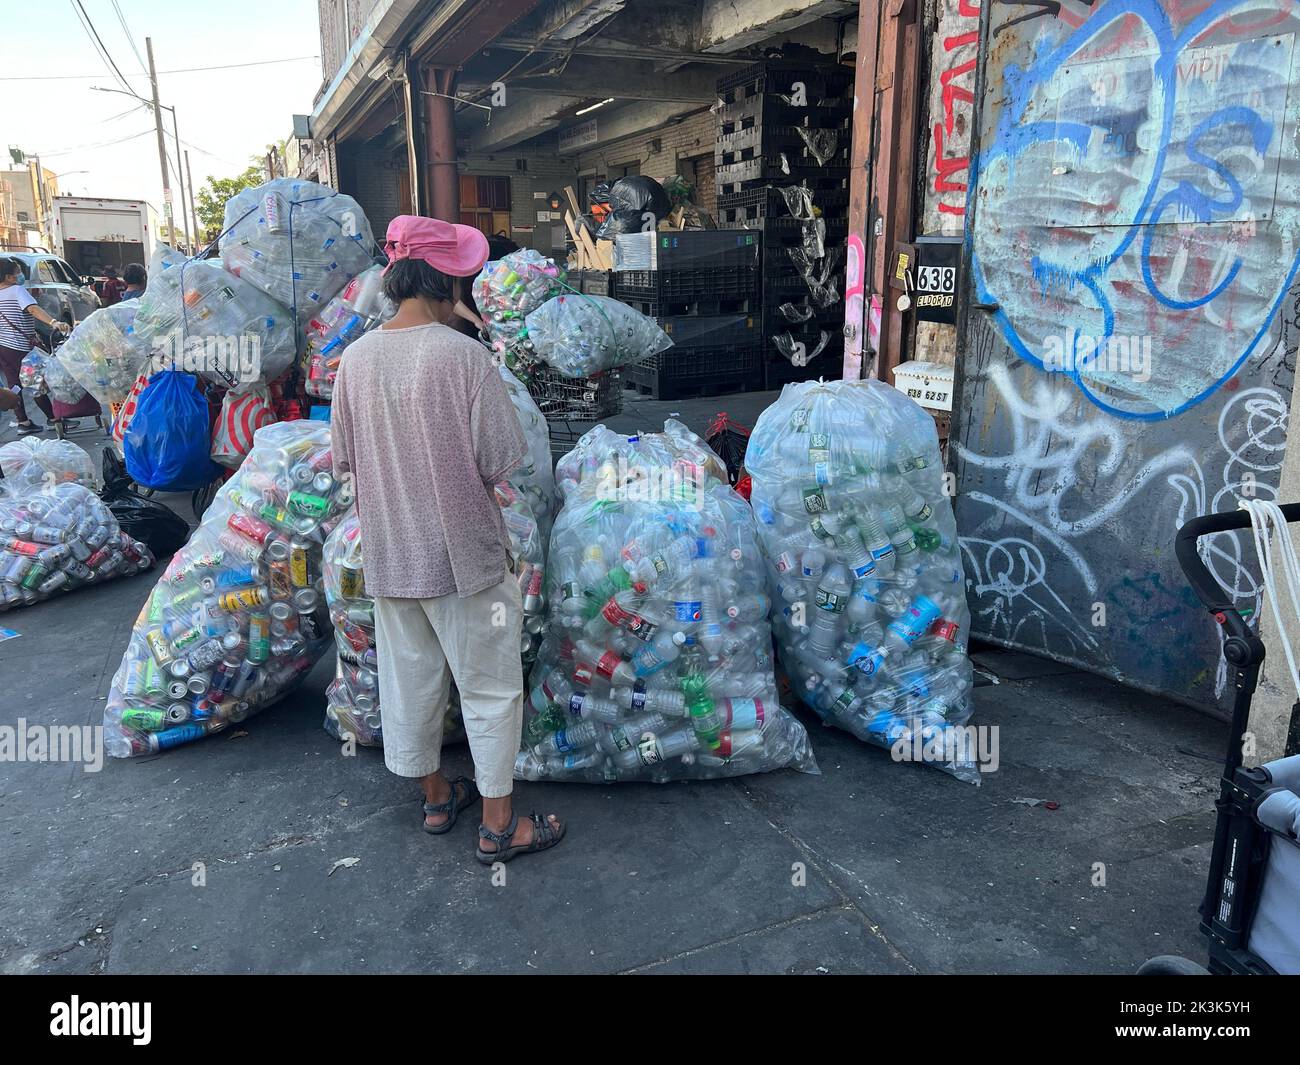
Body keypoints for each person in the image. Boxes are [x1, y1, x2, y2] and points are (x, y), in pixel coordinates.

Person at [330, 215, 564, 864]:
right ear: (446, 279)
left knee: (409, 683)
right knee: (489, 687)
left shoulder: (354, 360)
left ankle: (437, 797)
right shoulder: (465, 357)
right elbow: (501, 458)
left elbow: (344, 458)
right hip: (466, 558)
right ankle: (499, 824)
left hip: (389, 554)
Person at [0, 257, 68, 435]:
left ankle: (23, 421)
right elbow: (32, 309)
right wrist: (53, 321)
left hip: (3, 347)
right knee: (35, 380)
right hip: (20, 346)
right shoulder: (16, 291)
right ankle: (54, 418)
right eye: (17, 272)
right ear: (8, 277)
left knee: (15, 383)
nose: (20, 275)